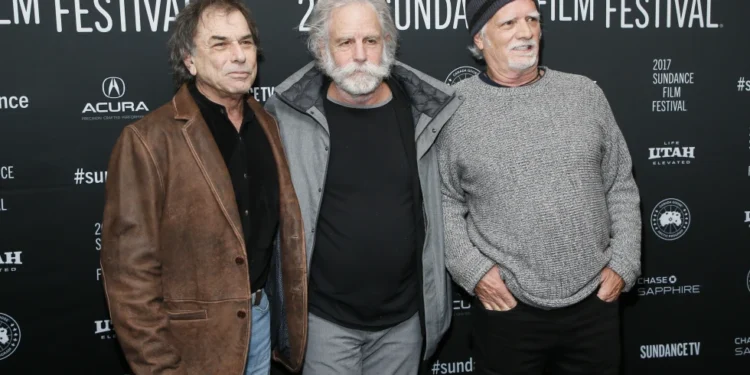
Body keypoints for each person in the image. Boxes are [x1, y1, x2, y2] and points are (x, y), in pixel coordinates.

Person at [100, 1, 306, 374]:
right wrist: (160, 367)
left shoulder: (268, 124)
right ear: (190, 60)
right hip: (192, 345)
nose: (239, 56)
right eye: (220, 44)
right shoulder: (147, 140)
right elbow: (129, 277)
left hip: (261, 325)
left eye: (245, 43)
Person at [437, 0, 642, 374]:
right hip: (507, 311)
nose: (526, 32)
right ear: (480, 39)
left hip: (595, 304)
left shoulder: (584, 94)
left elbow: (620, 185)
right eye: (509, 23)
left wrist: (624, 262)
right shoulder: (454, 109)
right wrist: (475, 272)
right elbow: (442, 202)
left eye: (532, 20)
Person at [263, 0, 463, 373]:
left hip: (403, 323)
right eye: (345, 43)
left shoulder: (426, 112)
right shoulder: (287, 115)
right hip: (324, 322)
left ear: (387, 42)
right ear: (322, 49)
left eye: (370, 40)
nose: (359, 55)